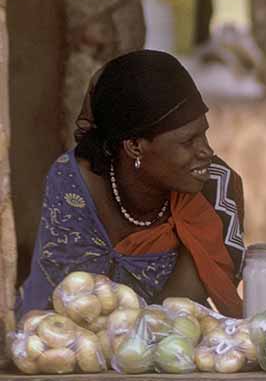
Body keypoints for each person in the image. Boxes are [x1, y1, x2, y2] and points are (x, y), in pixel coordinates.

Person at [17, 50, 246, 319]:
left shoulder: (215, 188)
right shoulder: (72, 185)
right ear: (135, 146)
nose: (207, 151)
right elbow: (65, 304)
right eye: (188, 141)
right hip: (72, 347)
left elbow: (168, 316)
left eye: (204, 134)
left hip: (164, 348)